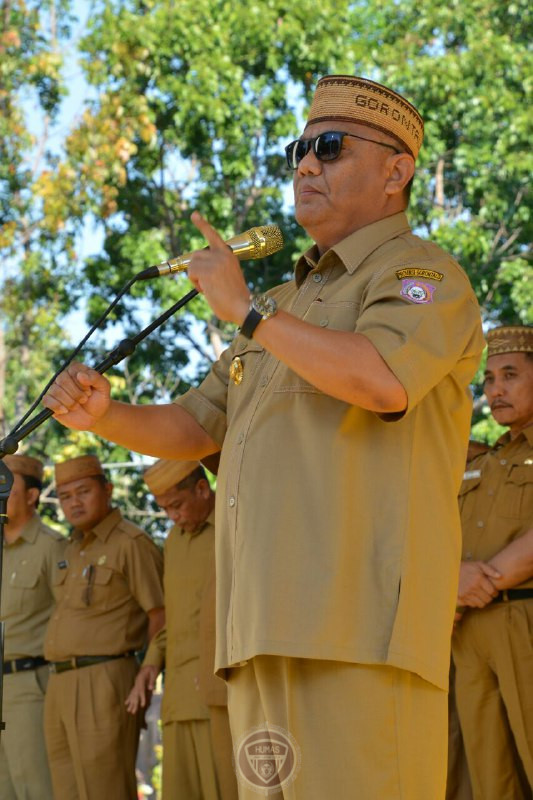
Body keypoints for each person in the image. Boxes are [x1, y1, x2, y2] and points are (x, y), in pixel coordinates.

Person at [42, 75, 484, 798]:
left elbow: (381, 380)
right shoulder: (282, 303)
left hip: (356, 629)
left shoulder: (420, 275)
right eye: (298, 150)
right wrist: (104, 417)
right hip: (257, 628)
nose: (305, 165)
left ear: (396, 172)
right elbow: (194, 423)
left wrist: (247, 314)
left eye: (331, 148)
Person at [43, 454, 165, 800]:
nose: (74, 503)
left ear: (107, 489)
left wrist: (148, 671)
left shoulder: (131, 543)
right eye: (65, 496)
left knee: (104, 790)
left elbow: (161, 614)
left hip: (105, 679)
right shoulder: (71, 547)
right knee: (66, 791)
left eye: (83, 491)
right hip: (60, 682)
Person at [452, 325, 533, 800]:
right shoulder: (487, 461)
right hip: (470, 631)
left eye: (510, 375)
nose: (495, 389)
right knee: (489, 779)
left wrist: (473, 584)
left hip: (522, 618)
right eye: (489, 380)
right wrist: (451, 587)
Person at [126, 458, 238, 800]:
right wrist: (150, 663)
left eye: (176, 505)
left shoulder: (236, 525)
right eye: (164, 509)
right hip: (176, 695)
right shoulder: (173, 541)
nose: (171, 517)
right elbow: (174, 617)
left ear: (202, 488)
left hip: (220, 692)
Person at [0, 453, 66, 800]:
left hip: (31, 685)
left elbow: (68, 618)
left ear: (31, 495)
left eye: (6, 487)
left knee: (36, 790)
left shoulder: (51, 546)